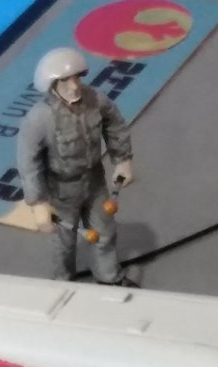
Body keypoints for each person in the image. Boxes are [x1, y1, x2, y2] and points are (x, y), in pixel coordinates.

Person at [17, 47, 139, 287]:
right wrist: (38, 202)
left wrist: (122, 158)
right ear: (52, 84)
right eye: (65, 80)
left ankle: (108, 277)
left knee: (104, 231)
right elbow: (28, 162)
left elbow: (114, 124)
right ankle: (63, 284)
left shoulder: (95, 100)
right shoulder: (40, 118)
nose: (73, 86)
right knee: (64, 242)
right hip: (61, 189)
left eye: (76, 78)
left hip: (94, 181)